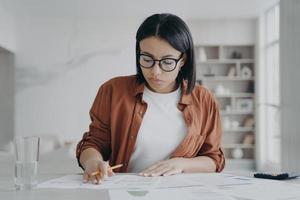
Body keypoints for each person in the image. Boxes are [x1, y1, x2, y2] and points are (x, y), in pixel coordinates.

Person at [76, 13, 225, 184]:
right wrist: (92, 161)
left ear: (183, 59)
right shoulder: (112, 90)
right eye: (147, 59)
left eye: (167, 62)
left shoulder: (204, 99)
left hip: (182, 191)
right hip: (126, 191)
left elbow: (214, 159)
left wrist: (181, 164)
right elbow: (93, 143)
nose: (155, 72)